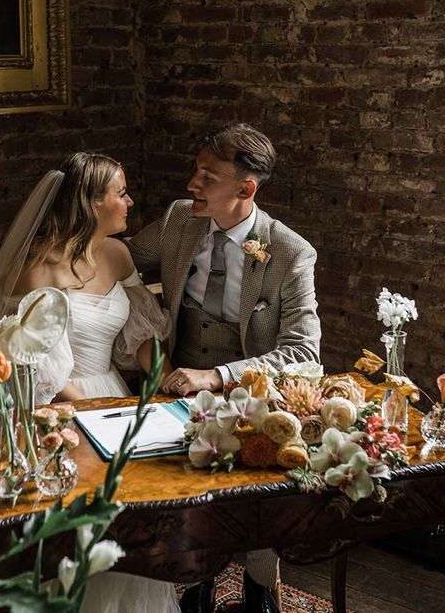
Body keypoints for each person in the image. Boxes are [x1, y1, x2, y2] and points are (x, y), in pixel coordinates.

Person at [0, 152, 180, 613]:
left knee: (129, 518)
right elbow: (30, 365)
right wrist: (94, 410)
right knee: (76, 523)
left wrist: (164, 382)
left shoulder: (117, 254)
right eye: (121, 193)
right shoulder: (36, 269)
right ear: (92, 203)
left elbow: (140, 331)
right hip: (56, 405)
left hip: (115, 393)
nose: (130, 202)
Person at [127, 123, 321, 613]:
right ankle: (195, 586)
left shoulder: (290, 253)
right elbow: (119, 258)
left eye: (208, 176)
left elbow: (304, 354)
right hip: (175, 390)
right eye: (196, 170)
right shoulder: (177, 221)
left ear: (245, 188)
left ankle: (259, 592)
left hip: (250, 398)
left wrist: (217, 377)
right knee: (184, 496)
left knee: (254, 497)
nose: (193, 183)